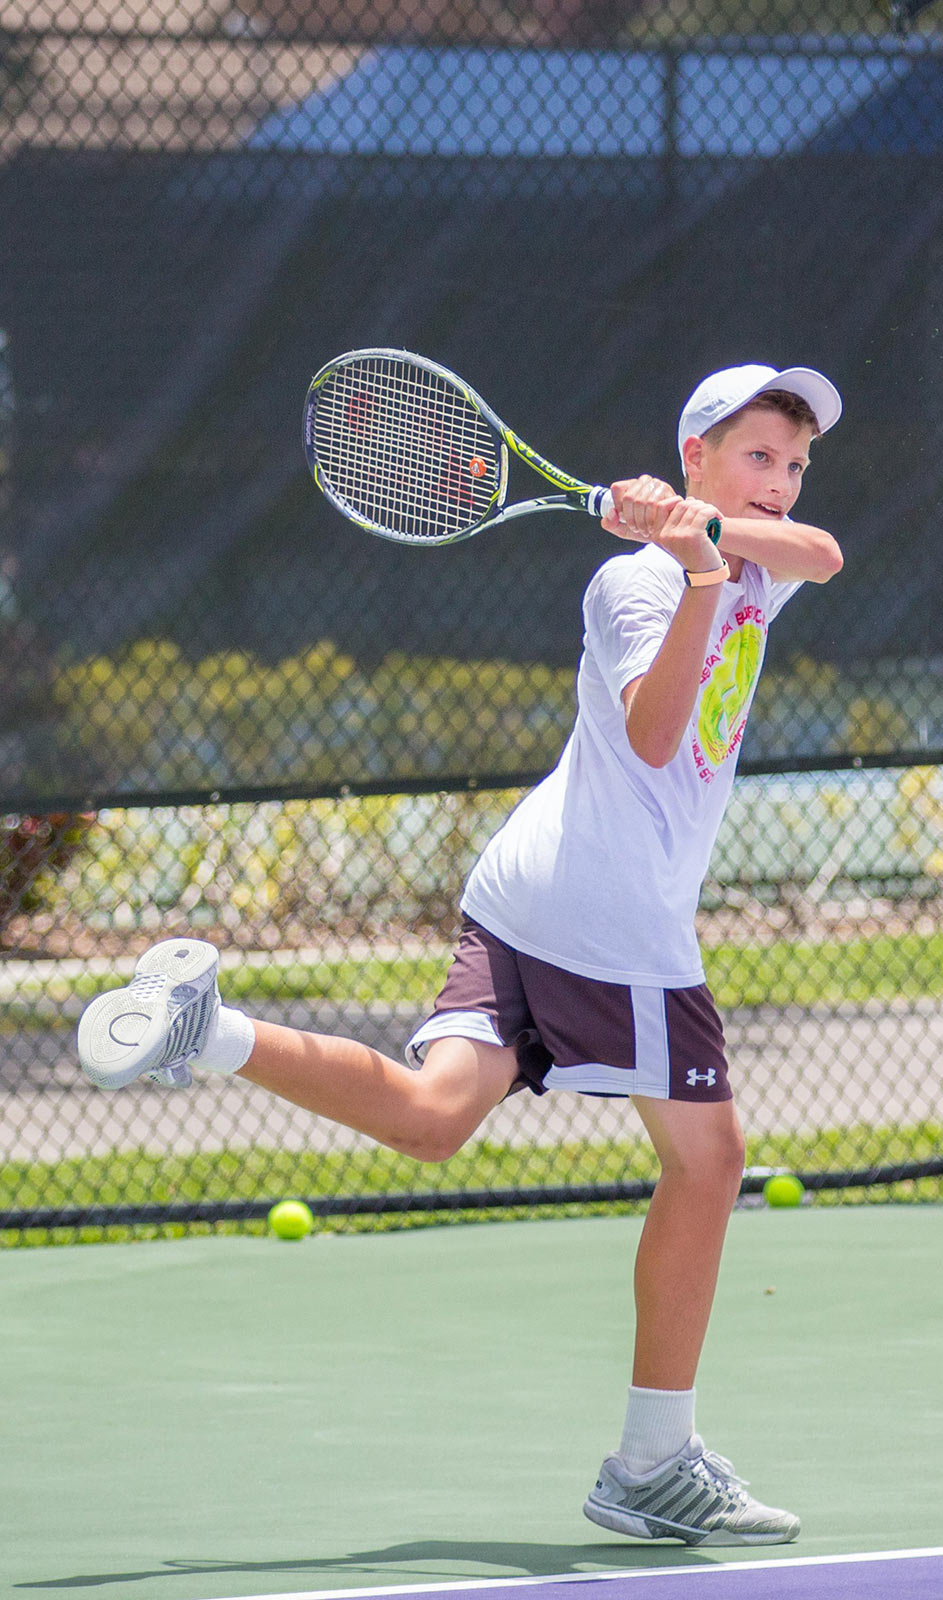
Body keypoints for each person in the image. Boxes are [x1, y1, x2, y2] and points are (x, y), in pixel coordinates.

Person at [76, 362, 843, 1548]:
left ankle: (208, 1028)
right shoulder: (631, 588)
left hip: (525, 886)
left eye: (794, 463)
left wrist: (711, 532)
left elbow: (822, 556)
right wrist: (690, 562)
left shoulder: (750, 555)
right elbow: (650, 737)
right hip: (608, 915)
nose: (783, 483)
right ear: (691, 453)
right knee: (707, 1159)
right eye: (757, 456)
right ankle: (650, 1460)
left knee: (433, 1118)